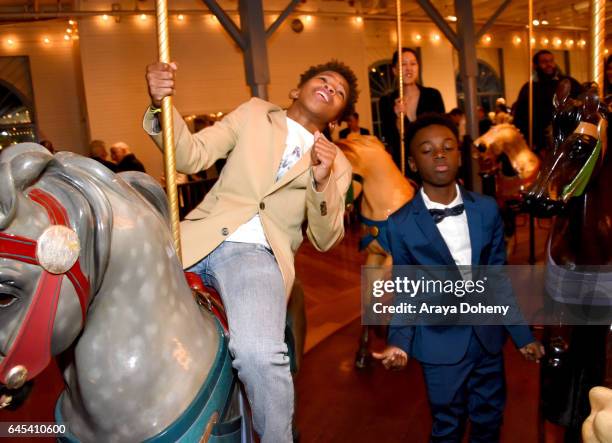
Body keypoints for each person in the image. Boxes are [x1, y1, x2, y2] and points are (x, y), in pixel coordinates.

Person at [144, 59, 356, 442]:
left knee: (258, 351)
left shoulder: (336, 162)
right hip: (195, 237)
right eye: (323, 79)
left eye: (339, 92)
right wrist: (163, 103)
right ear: (296, 89)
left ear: (338, 114)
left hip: (256, 253)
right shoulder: (255, 113)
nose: (330, 88)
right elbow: (192, 155)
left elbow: (327, 239)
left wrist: (321, 182)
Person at [372, 114, 544, 442]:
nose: (439, 154)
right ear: (412, 161)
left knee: (490, 419)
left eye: (448, 147)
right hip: (439, 343)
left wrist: (522, 336)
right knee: (447, 425)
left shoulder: (487, 209)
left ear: (459, 156)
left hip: (487, 339)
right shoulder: (401, 224)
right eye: (427, 149)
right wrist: (399, 342)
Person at [379, 47, 445, 175]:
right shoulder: (386, 101)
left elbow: (442, 130)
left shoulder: (433, 95)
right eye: (403, 64)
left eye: (413, 63)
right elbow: (390, 139)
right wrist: (398, 118)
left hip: (433, 162)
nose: (408, 68)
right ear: (394, 70)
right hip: (404, 166)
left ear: (418, 67)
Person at [513, 50, 581, 155]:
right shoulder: (529, 88)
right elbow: (520, 119)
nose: (549, 64)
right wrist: (535, 144)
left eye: (551, 61)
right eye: (544, 62)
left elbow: (582, 99)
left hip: (567, 140)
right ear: (535, 65)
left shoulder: (567, 82)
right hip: (540, 144)